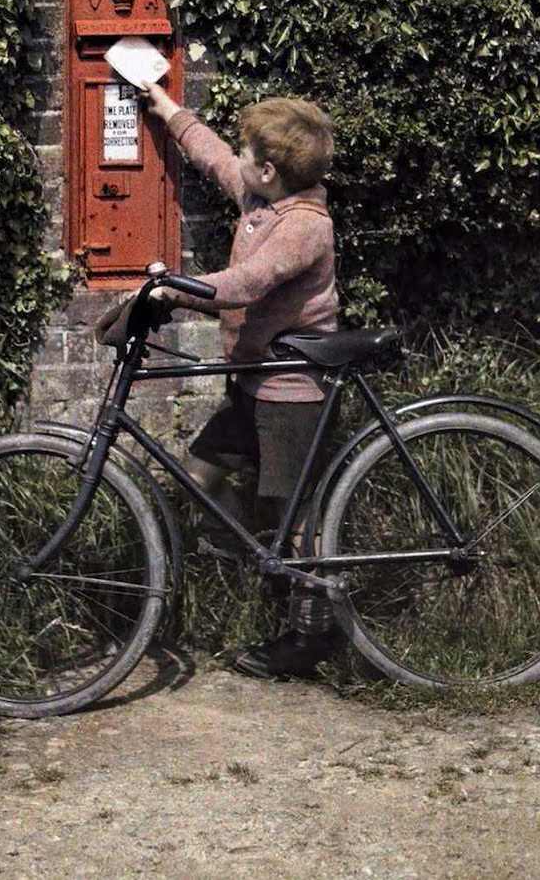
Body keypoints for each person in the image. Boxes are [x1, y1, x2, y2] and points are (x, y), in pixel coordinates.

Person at [139, 79, 340, 679]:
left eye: (251, 153)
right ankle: (258, 559)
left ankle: (312, 638)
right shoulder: (261, 201)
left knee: (296, 519)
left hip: (291, 391)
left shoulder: (306, 227)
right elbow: (215, 156)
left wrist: (174, 287)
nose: (241, 158)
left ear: (271, 171)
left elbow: (247, 284)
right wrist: (168, 107)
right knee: (200, 475)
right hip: (253, 383)